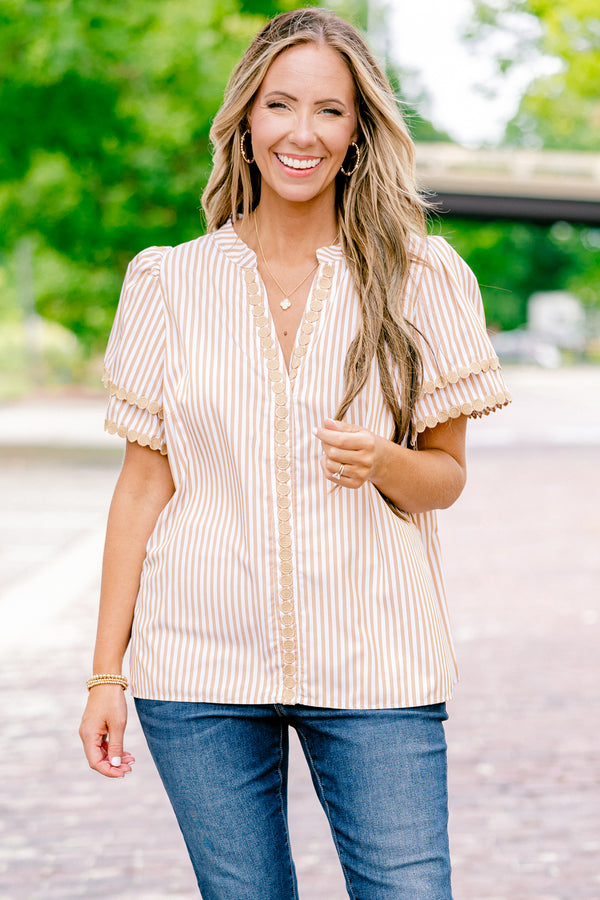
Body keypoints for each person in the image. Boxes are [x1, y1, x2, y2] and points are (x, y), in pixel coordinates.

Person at [79, 7, 510, 898]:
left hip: (375, 657)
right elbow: (140, 489)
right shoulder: (169, 281)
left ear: (358, 134)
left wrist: (382, 462)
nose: (301, 133)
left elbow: (446, 476)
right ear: (245, 123)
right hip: (197, 664)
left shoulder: (424, 277)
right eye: (280, 106)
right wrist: (105, 674)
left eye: (330, 111)